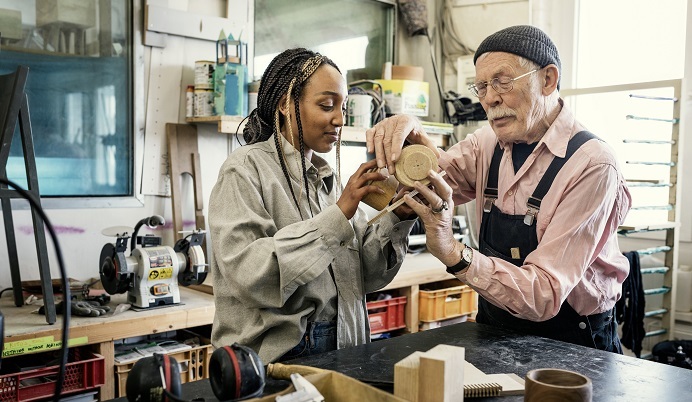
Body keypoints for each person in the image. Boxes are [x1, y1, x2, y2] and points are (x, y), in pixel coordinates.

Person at [366, 25, 631, 353]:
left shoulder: (592, 164)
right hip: (496, 323)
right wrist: (413, 135)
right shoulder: (486, 144)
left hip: (572, 339)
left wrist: (453, 251)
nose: (490, 98)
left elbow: (543, 294)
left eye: (503, 82)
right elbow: (430, 186)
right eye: (481, 86)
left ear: (548, 79)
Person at [208, 48, 416, 363]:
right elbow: (250, 276)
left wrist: (399, 213)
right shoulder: (245, 169)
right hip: (282, 356)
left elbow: (367, 275)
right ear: (285, 104)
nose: (340, 119)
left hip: (346, 340)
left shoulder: (328, 180)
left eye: (343, 107)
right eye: (326, 105)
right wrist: (339, 215)